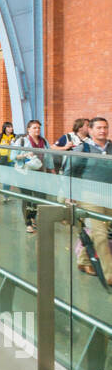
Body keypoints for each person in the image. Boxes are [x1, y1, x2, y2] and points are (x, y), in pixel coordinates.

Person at [74, 117, 112, 283]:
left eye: (105, 127)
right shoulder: (83, 149)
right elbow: (70, 172)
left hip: (109, 194)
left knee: (103, 232)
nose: (103, 131)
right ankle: (109, 274)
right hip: (89, 196)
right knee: (100, 234)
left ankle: (83, 260)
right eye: (99, 128)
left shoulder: (111, 147)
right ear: (90, 130)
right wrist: (71, 196)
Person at [13, 118, 50, 232]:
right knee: (27, 197)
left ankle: (33, 217)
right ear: (28, 129)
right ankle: (28, 222)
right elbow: (13, 156)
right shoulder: (22, 141)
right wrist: (25, 155)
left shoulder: (44, 142)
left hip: (40, 173)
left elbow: (49, 157)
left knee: (40, 197)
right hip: (25, 173)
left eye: (39, 127)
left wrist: (51, 170)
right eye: (34, 127)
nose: (37, 130)